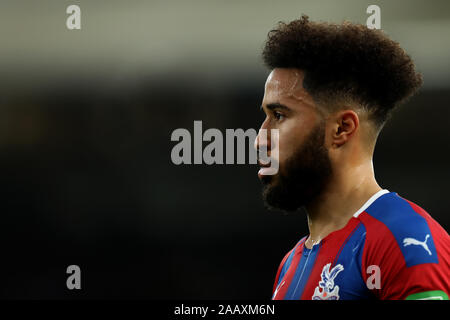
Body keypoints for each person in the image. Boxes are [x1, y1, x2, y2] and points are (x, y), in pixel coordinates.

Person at [255, 15, 449, 300]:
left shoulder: (406, 240)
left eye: (279, 116)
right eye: (266, 117)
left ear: (341, 129)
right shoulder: (290, 264)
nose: (260, 139)